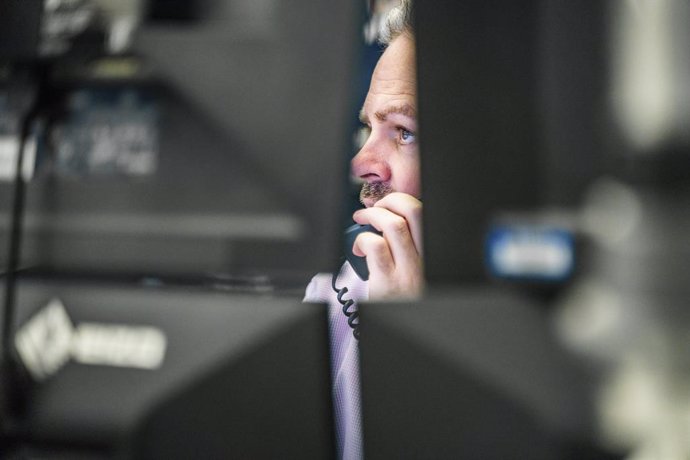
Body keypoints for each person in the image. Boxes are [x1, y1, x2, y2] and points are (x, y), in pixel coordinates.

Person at [303, 1, 421, 458]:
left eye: (404, 132)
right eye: (370, 128)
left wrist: (415, 337)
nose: (361, 164)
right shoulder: (333, 298)